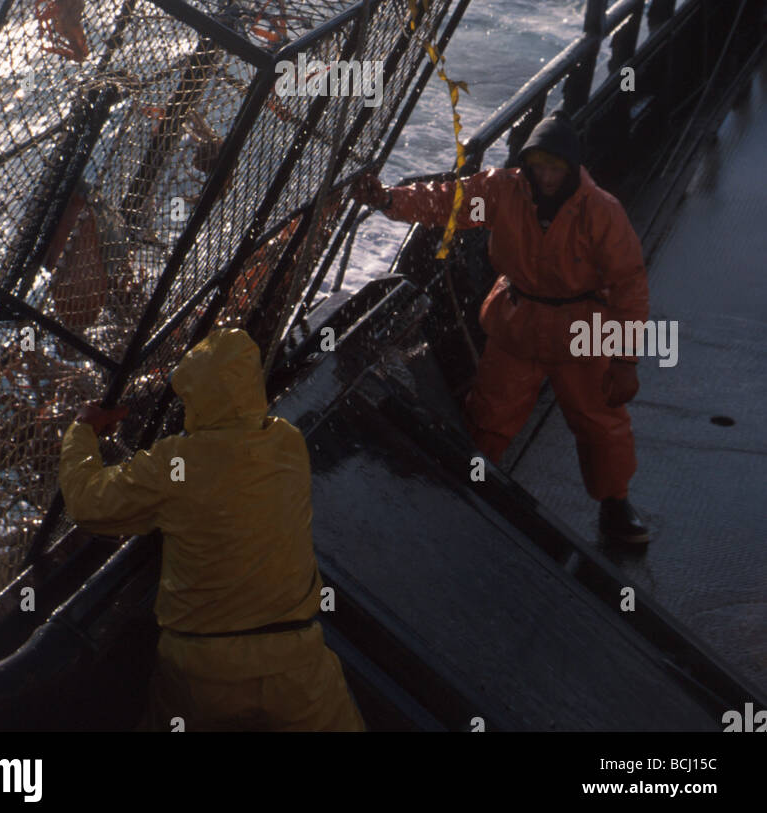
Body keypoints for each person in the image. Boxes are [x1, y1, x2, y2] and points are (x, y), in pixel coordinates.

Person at [353, 111, 650, 543]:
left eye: (556, 167)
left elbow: (629, 286)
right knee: (490, 413)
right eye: (539, 166)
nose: (546, 177)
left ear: (572, 167)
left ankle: (615, 504)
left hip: (581, 329)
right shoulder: (501, 192)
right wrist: (387, 200)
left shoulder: (602, 212)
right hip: (519, 322)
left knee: (599, 420)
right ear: (526, 164)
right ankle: (476, 488)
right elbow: (446, 202)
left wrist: (625, 360)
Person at [59, 326, 365, 731]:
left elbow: (87, 503)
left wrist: (82, 432)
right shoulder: (287, 443)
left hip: (202, 669)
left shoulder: (175, 465)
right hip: (296, 659)